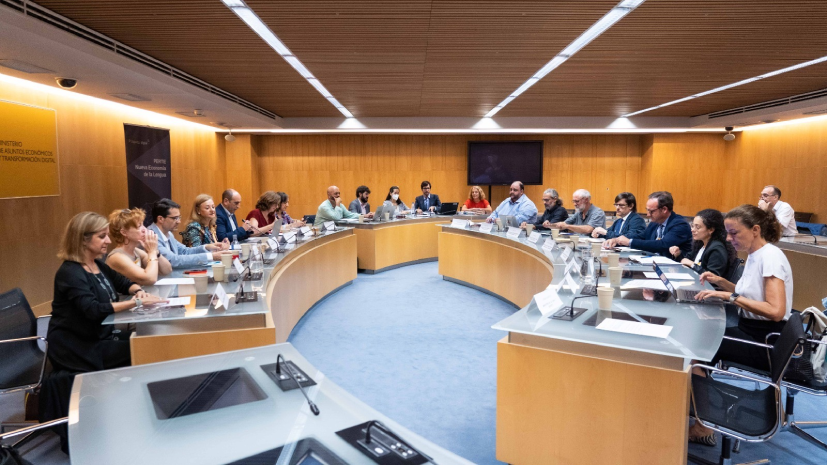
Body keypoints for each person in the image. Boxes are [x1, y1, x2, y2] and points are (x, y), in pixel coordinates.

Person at [690, 205, 793, 445]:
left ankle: (703, 425)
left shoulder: (770, 258)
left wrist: (730, 298)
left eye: (734, 233)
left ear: (755, 230)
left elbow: (775, 311)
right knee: (702, 338)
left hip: (766, 342)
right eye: (727, 233)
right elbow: (749, 293)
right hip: (754, 331)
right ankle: (701, 409)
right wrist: (722, 283)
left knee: (696, 350)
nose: (728, 238)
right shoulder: (757, 254)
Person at [48, 212, 166, 373]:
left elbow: (123, 283)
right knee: (149, 350)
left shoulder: (97, 264)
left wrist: (138, 291)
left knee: (153, 340)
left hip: (100, 336)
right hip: (78, 347)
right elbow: (93, 309)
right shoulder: (70, 272)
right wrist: (137, 302)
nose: (109, 241)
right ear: (83, 239)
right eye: (102, 236)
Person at [604, 191, 692, 257]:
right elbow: (642, 236)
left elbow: (663, 244)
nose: (648, 214)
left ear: (664, 209)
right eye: (647, 210)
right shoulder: (655, 222)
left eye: (651, 211)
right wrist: (617, 240)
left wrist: (630, 242)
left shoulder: (679, 224)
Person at [148, 198, 226, 268]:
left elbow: (185, 251)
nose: (179, 221)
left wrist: (206, 247)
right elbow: (173, 260)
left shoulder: (168, 233)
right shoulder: (151, 237)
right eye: (175, 218)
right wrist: (211, 256)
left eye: (179, 217)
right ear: (161, 219)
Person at [105, 208, 171, 286]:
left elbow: (166, 271)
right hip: (125, 298)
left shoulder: (136, 251)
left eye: (143, 224)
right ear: (124, 232)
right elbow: (150, 279)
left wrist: (156, 252)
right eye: (139, 226)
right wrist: (151, 252)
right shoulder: (116, 257)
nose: (144, 229)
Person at [668, 209, 739, 280]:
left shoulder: (717, 249)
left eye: (697, 227)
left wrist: (692, 264)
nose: (692, 230)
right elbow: (686, 260)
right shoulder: (700, 244)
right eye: (692, 226)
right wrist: (678, 254)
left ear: (711, 230)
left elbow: (712, 278)